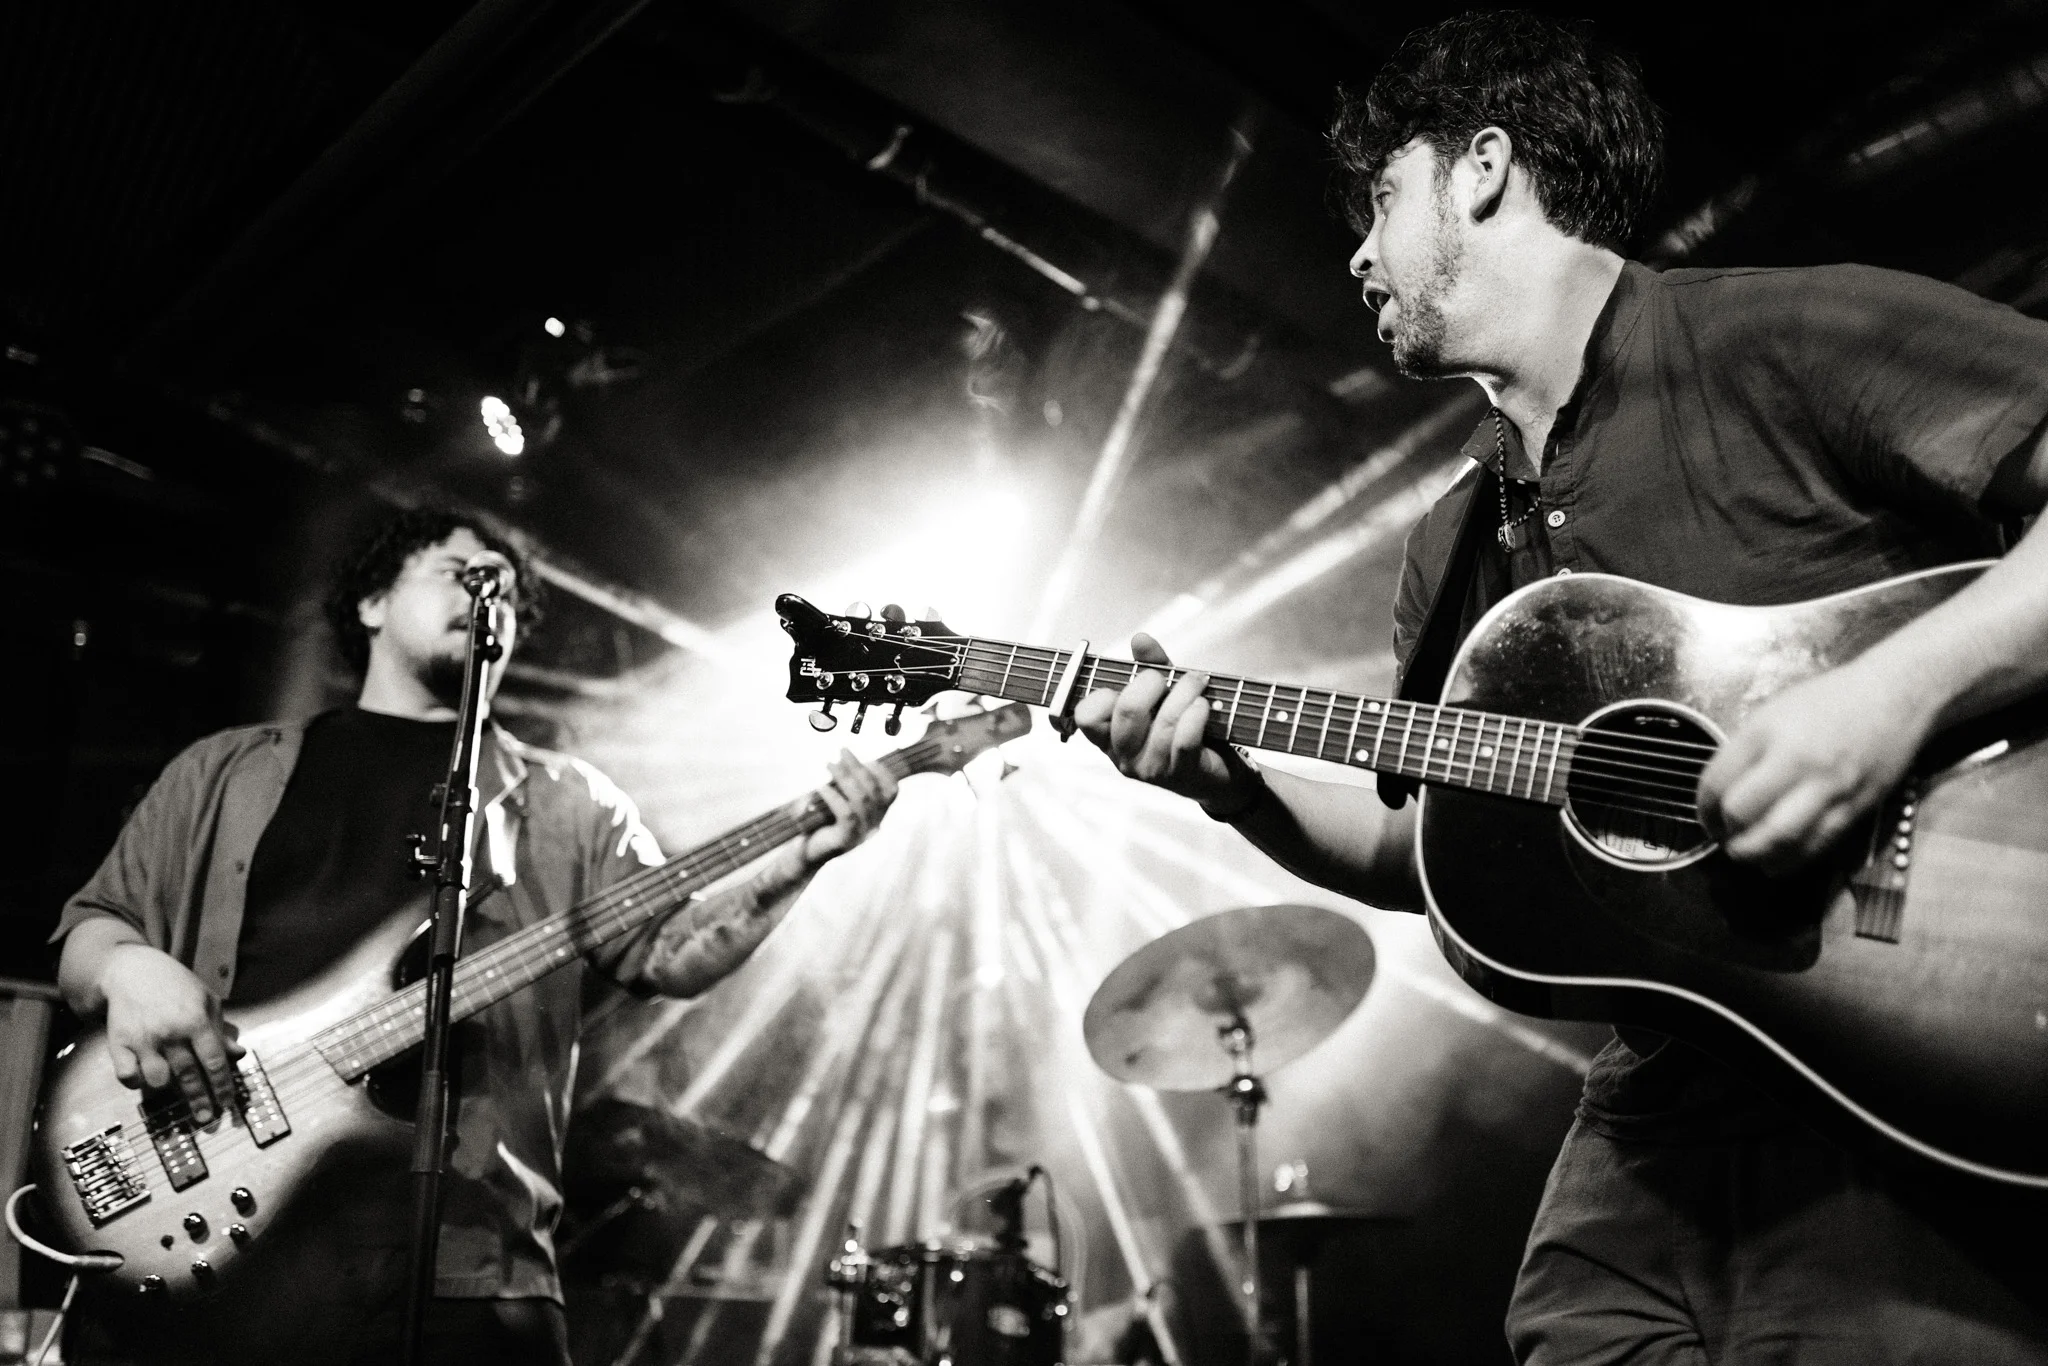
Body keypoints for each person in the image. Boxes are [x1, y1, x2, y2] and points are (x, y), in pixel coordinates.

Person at [1075, 11, 2048, 1363]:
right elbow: (1427, 846)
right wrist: (1230, 787)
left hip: (1908, 1065)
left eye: (1382, 196)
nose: (1355, 251)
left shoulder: (1779, 334)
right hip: (1660, 1104)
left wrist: (1883, 703)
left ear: (1483, 168)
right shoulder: (1450, 548)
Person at [51, 508, 899, 1365]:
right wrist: (129, 967)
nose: (485, 590)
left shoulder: (572, 803)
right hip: (224, 1260)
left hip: (468, 1270)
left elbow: (667, 950)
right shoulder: (225, 771)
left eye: (503, 587)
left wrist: (799, 859)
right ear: (373, 604)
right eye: (457, 570)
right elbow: (91, 932)